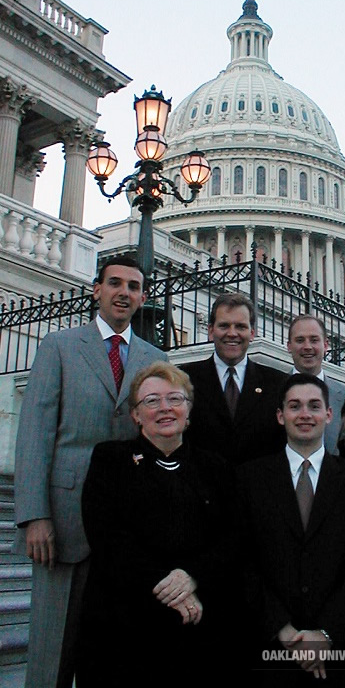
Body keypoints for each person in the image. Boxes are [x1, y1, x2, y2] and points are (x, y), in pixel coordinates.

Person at [12, 255, 167, 688]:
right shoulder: (59, 346)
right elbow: (35, 434)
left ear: (142, 297)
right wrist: (34, 516)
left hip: (127, 529)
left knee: (113, 651)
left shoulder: (155, 359)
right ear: (96, 290)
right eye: (114, 283)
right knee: (51, 652)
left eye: (133, 287)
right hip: (64, 521)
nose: (124, 293)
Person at [75, 361, 239, 687]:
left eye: (174, 399)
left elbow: (232, 536)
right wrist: (170, 589)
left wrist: (192, 575)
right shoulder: (110, 460)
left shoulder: (216, 468)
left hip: (198, 627)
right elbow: (107, 536)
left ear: (188, 411)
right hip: (125, 626)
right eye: (151, 401)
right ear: (136, 415)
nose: (164, 408)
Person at [237, 373, 345, 685]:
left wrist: (326, 634)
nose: (305, 414)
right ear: (280, 415)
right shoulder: (250, 479)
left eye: (314, 406)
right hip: (270, 650)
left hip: (338, 654)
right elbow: (243, 560)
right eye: (295, 406)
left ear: (329, 415)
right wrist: (283, 630)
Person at [182, 292, 286, 464]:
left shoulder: (277, 383)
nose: (232, 333)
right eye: (224, 326)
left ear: (252, 333)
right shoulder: (186, 379)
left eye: (240, 326)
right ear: (210, 331)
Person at [287, 314, 345, 453]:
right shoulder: (273, 390)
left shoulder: (344, 397)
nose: (307, 347)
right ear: (289, 346)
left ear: (325, 345)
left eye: (314, 340)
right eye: (300, 340)